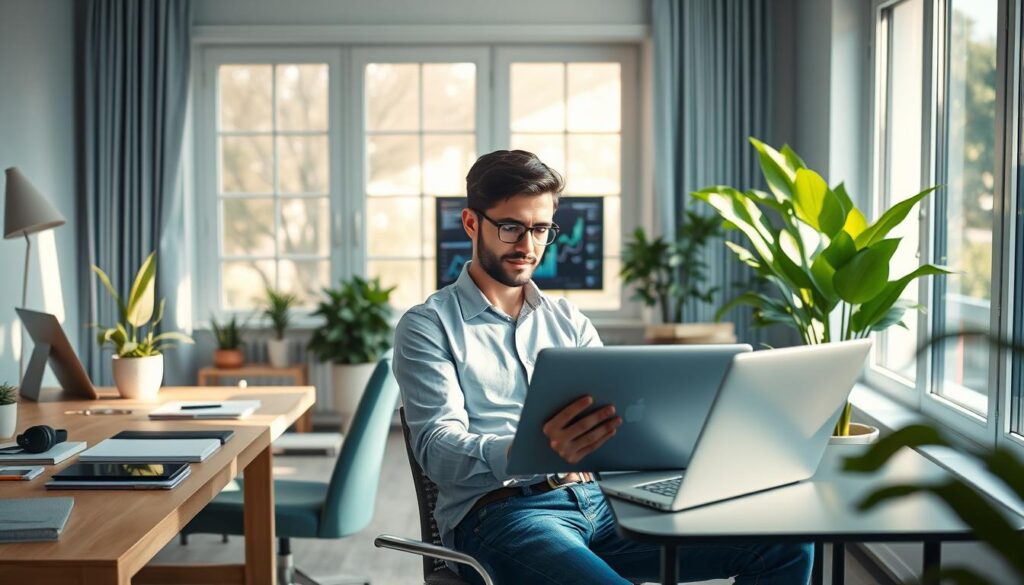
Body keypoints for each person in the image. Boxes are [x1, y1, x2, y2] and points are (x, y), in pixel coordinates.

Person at [393, 150, 813, 584]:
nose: (528, 246)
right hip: (504, 515)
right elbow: (437, 450)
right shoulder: (428, 326)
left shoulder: (568, 321)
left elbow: (621, 419)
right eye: (511, 227)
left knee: (783, 543)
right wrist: (523, 452)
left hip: (603, 502)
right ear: (471, 223)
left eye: (540, 230)